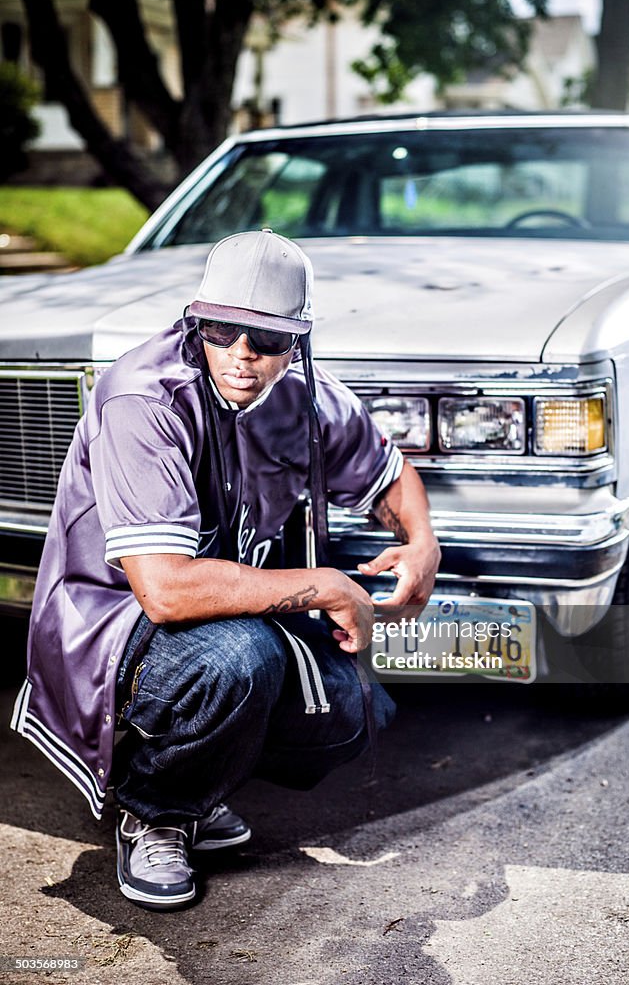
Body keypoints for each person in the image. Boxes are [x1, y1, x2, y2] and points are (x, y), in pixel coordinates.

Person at [12, 230, 441, 911]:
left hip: (235, 610)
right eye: (221, 329)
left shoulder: (309, 397)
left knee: (357, 711)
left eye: (266, 340)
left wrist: (422, 543)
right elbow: (166, 592)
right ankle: (154, 811)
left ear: (296, 342)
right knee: (239, 662)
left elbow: (390, 477)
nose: (241, 354)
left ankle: (199, 777)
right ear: (195, 320)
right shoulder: (144, 397)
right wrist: (328, 585)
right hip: (113, 619)